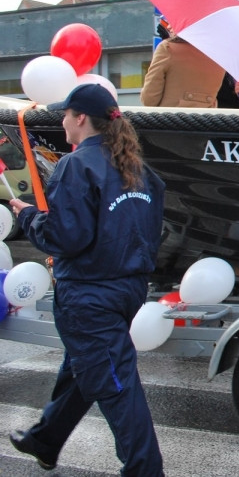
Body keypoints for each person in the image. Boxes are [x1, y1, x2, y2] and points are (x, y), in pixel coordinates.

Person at [8, 83, 166, 475]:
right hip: (127, 289)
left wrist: (27, 216)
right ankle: (45, 439)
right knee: (86, 367)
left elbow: (65, 237)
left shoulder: (76, 165)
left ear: (81, 119)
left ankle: (146, 470)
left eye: (65, 114)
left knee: (115, 384)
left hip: (89, 294)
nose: (62, 120)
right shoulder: (137, 169)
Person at [140, 22, 224, 108]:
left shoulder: (167, 48)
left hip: (170, 118)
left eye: (174, 22)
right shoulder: (220, 55)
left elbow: (149, 99)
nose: (168, 27)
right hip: (208, 118)